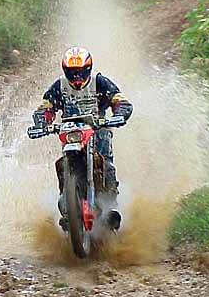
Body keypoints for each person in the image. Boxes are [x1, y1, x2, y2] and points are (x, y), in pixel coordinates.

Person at [32, 46, 133, 229]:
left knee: (105, 163)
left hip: (98, 130)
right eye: (72, 72)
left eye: (80, 72)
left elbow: (120, 100)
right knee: (63, 165)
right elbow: (45, 108)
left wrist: (120, 114)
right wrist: (42, 122)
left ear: (88, 69)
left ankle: (111, 206)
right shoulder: (59, 86)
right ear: (65, 71)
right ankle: (67, 206)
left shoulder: (99, 82)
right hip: (71, 134)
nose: (76, 77)